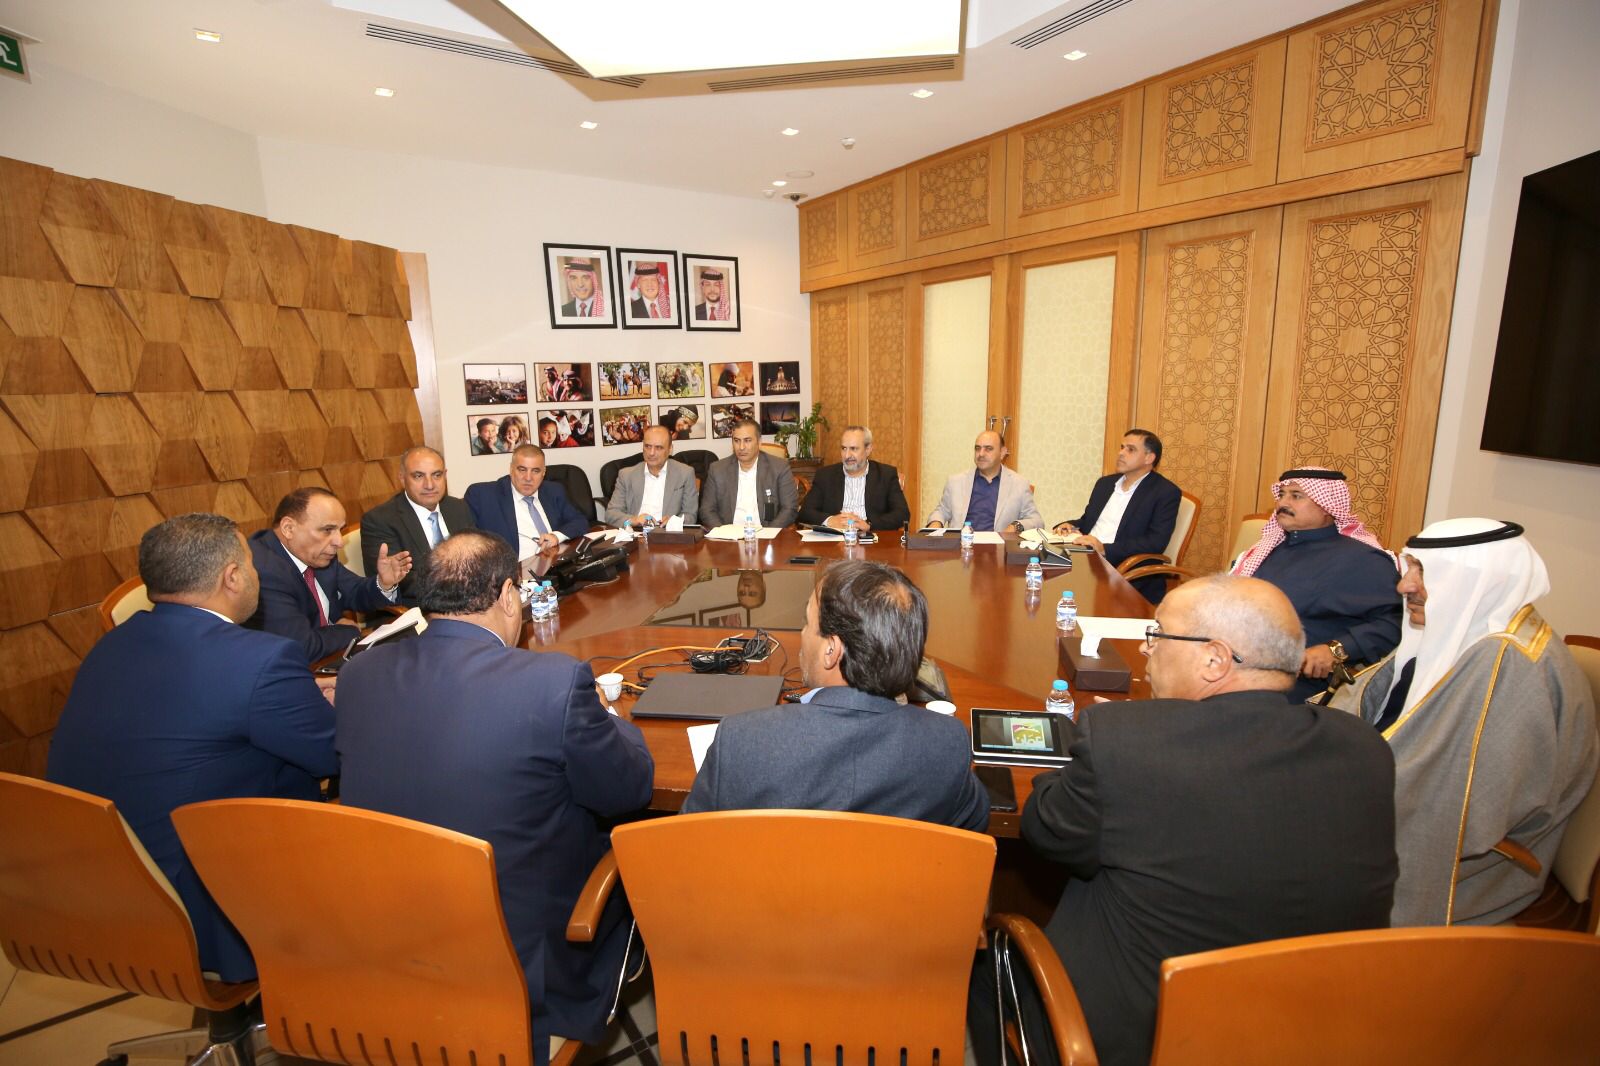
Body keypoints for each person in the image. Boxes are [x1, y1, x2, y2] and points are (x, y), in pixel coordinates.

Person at [970, 575, 1397, 1066]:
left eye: (1157, 635)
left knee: (982, 962)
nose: (1145, 650)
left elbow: (1047, 829)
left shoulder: (1126, 742)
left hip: (1140, 1042)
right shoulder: (1365, 749)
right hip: (1313, 1035)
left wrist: (1099, 749)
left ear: (1215, 659)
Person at [337, 531, 653, 1064]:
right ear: (509, 596)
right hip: (525, 969)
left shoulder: (359, 674)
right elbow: (628, 789)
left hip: (391, 946)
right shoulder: (554, 683)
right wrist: (608, 715)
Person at [48, 513, 337, 982]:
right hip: (201, 909)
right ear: (232, 577)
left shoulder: (113, 645)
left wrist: (293, 697)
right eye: (252, 563)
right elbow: (332, 753)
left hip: (89, 892)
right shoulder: (260, 660)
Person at [1329, 518, 1598, 927]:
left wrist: (1332, 786)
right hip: (1399, 806)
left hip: (1471, 871)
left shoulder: (1509, 666)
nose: (1404, 586)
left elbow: (1467, 810)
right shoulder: (1464, 631)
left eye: (1425, 572)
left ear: (1478, 582)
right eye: (1410, 567)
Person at [683, 559, 988, 831]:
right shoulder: (947, 745)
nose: (802, 633)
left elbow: (687, 846)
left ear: (831, 650)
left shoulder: (740, 741)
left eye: (807, 622)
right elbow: (973, 828)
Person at [1231, 467, 1401, 702]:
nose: (1283, 503)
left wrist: (1336, 649)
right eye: (1282, 494)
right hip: (1236, 664)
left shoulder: (1362, 560)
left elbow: (1395, 622)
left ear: (1327, 506)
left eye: (1296, 496)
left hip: (1294, 683)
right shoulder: (1265, 551)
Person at [246, 487, 410, 662]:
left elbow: (354, 591)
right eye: (327, 530)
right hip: (300, 668)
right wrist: (349, 631)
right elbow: (302, 647)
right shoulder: (264, 571)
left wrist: (383, 583)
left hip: (334, 653)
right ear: (288, 528)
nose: (339, 542)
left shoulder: (316, 554)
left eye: (340, 530)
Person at [1054, 428, 1182, 603]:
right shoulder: (1105, 484)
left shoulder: (1165, 492)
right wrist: (1071, 525)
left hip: (1124, 569)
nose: (1121, 453)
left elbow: (1156, 542)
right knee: (1044, 572)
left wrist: (1104, 548)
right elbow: (1088, 521)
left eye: (1131, 449)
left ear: (1149, 458)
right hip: (1086, 558)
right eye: (1122, 447)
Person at [360, 446, 477, 605]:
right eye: (418, 476)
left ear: (445, 475)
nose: (429, 485)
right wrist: (459, 585)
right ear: (402, 479)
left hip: (468, 600)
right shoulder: (379, 520)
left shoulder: (458, 507)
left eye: (437, 475)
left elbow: (475, 556)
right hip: (417, 608)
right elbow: (400, 581)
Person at [465, 443, 590, 554]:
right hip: (516, 569)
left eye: (535, 471)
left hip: (555, 563)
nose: (528, 478)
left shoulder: (553, 490)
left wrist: (556, 536)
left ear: (543, 472)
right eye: (522, 470)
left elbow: (580, 521)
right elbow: (467, 544)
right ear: (511, 469)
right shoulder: (482, 496)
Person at [924, 430, 1044, 533]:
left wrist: (1016, 526)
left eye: (988, 449)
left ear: (1002, 453)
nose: (981, 454)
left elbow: (1037, 521)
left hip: (999, 548)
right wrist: (936, 523)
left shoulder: (1019, 484)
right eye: (977, 448)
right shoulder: (955, 482)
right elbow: (941, 511)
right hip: (962, 545)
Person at [797, 425, 911, 532]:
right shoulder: (825, 475)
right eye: (844, 448)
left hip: (871, 538)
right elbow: (805, 512)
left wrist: (869, 524)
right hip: (834, 539)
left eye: (853, 449)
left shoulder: (886, 475)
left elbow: (902, 514)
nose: (847, 455)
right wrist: (830, 520)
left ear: (868, 449)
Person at [699, 417, 799, 528]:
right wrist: (722, 532)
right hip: (729, 534)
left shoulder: (779, 468)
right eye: (737, 441)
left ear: (759, 442)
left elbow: (789, 508)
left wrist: (769, 533)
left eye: (747, 440)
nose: (741, 447)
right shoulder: (717, 469)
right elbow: (706, 510)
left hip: (766, 532)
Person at [604, 424, 699, 527]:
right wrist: (634, 520)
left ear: (670, 449)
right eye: (648, 446)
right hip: (636, 532)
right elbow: (611, 514)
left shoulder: (685, 473)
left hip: (667, 532)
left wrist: (674, 521)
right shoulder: (626, 475)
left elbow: (691, 515)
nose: (651, 453)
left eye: (658, 447)